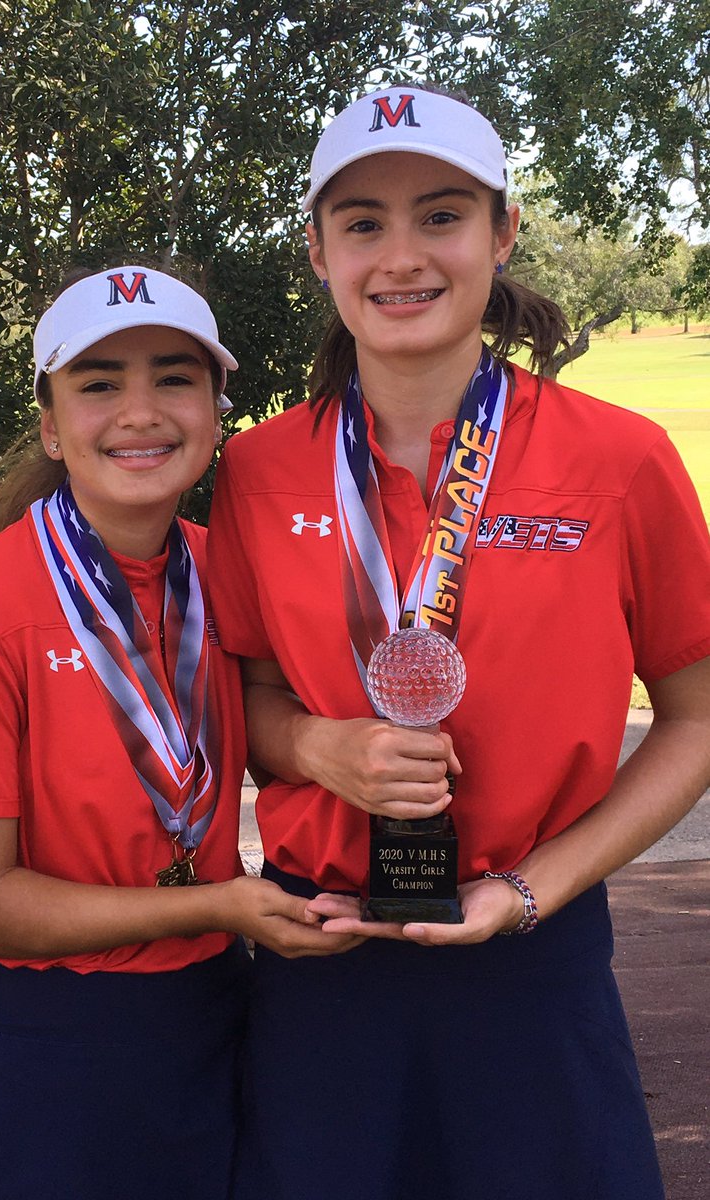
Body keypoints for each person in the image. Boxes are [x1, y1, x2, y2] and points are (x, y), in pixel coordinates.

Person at [207, 86, 710, 1200]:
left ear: (502, 230)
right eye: (363, 223)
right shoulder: (256, 470)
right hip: (320, 953)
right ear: (318, 251)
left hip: (534, 953)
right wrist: (317, 749)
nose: (402, 256)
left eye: (440, 214)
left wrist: (533, 889)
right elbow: (244, 696)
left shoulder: (622, 461)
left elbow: (698, 717)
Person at [0, 266, 357, 1200]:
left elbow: (272, 719)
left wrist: (341, 752)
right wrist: (216, 903)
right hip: (50, 1041)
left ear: (215, 414)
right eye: (98, 383)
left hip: (213, 1009)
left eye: (175, 377)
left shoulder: (225, 573)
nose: (141, 411)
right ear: (52, 426)